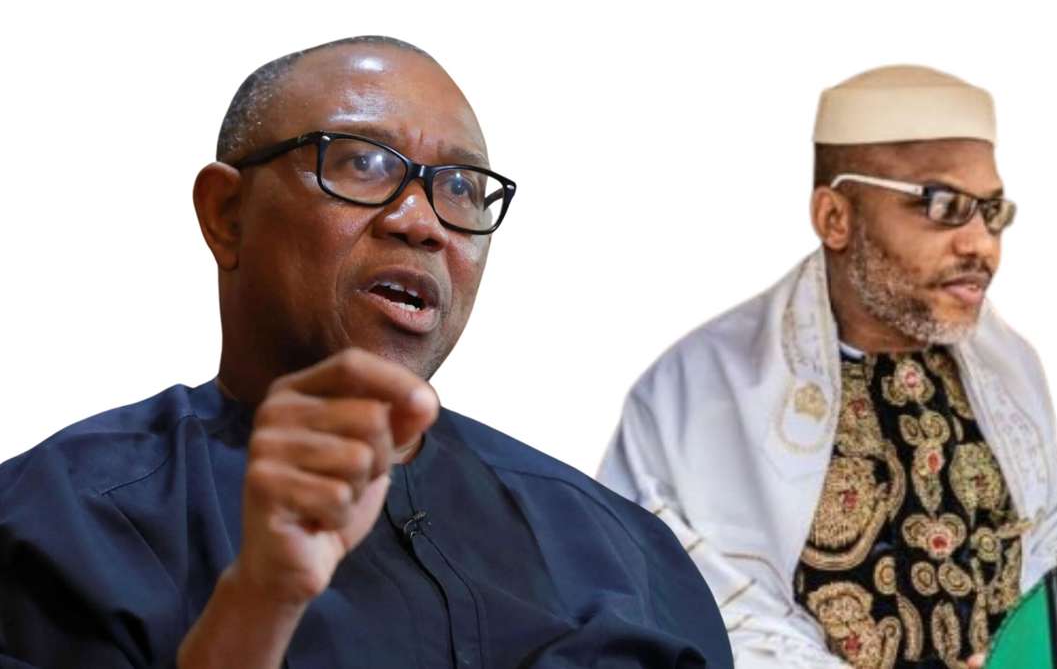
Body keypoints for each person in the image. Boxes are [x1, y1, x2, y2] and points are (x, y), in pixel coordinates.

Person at [0, 36, 731, 669]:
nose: (422, 222)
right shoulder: (61, 522)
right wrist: (259, 604)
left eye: (461, 187)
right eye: (363, 163)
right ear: (226, 215)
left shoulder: (625, 551)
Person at [599, 65, 1057, 668]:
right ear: (834, 217)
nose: (982, 244)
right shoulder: (698, 393)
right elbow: (682, 607)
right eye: (943, 205)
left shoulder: (1009, 371)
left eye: (992, 211)